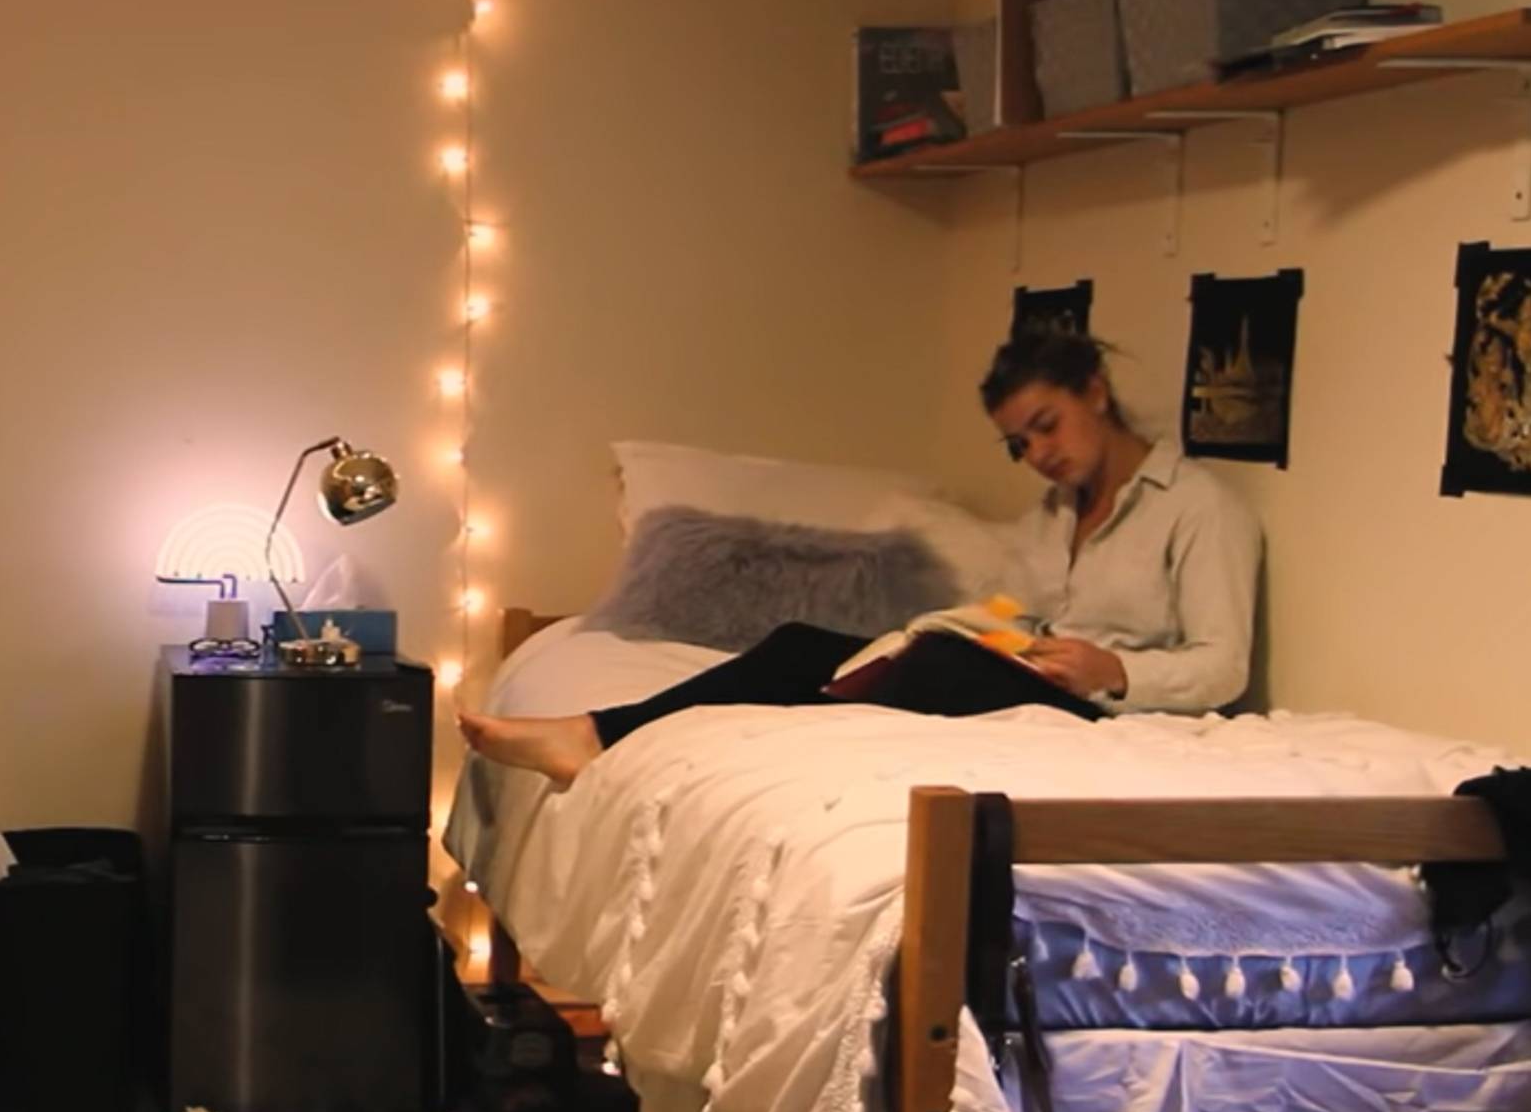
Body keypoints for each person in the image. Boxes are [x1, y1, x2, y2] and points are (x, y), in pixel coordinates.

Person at [461, 331, 1262, 786]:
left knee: (932, 667)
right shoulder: (1054, 514)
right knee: (801, 645)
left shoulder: (1199, 509)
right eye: (1019, 442)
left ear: (1094, 392)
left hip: (1107, 717)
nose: (1037, 455)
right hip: (1030, 682)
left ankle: (678, 744)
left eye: (1047, 426)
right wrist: (1002, 629)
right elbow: (1029, 607)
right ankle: (598, 732)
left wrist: (1114, 671)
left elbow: (1223, 667)